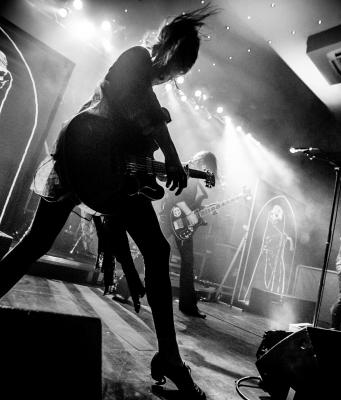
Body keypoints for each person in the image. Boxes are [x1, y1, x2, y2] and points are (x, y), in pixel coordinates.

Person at [0, 4, 218, 398]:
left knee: (41, 240)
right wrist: (170, 156)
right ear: (168, 51)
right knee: (43, 240)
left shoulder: (148, 88)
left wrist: (154, 165)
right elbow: (139, 104)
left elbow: (137, 126)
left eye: (177, 75)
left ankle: (169, 356)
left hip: (107, 173)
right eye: (175, 69)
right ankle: (170, 358)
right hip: (85, 157)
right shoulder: (136, 58)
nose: (171, 77)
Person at [160, 151, 218, 319]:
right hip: (169, 218)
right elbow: (175, 194)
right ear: (201, 162)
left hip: (183, 223)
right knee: (151, 250)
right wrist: (189, 212)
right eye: (207, 168)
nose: (207, 172)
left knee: (188, 262)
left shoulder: (198, 177)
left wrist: (205, 210)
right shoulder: (185, 168)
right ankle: (124, 288)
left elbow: (192, 203)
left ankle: (188, 306)